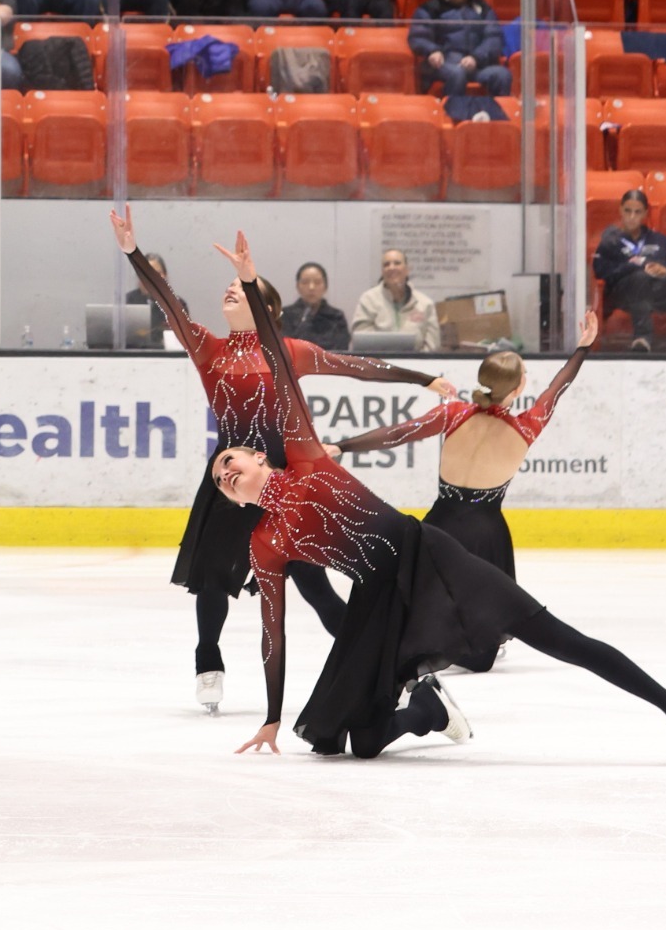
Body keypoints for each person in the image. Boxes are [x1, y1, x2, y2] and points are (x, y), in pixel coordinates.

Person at [210, 231, 666, 767]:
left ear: (259, 457)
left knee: (558, 639)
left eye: (230, 460)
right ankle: (427, 713)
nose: (226, 471)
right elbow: (273, 632)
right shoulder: (264, 542)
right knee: (344, 740)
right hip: (378, 598)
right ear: (235, 500)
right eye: (220, 477)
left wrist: (252, 283)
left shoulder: (304, 455)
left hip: (427, 552)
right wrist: (272, 716)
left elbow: (276, 355)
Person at [109, 204, 454, 715]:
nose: (228, 290)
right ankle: (208, 657)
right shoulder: (209, 349)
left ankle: (392, 667)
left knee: (313, 586)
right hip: (230, 480)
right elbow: (169, 305)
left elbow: (356, 366)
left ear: (265, 306)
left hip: (284, 478)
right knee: (213, 577)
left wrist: (420, 378)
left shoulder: (289, 350)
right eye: (225, 287)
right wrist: (133, 252)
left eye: (240, 287)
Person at [330, 310, 600, 672]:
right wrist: (582, 348)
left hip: (442, 521)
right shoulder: (528, 426)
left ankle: (419, 645)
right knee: (484, 631)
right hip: (486, 530)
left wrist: (342, 447)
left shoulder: (453, 414)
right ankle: (464, 646)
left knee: (426, 593)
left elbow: (399, 433)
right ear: (519, 387)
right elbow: (558, 388)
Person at [592, 188, 666, 353]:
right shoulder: (610, 242)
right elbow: (601, 272)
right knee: (639, 277)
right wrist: (632, 266)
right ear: (620, 210)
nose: (632, 217)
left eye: (637, 212)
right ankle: (642, 338)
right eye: (628, 211)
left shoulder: (660, 240)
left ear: (645, 214)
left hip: (658, 291)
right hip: (624, 293)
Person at [409, 0, 511, 94]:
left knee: (502, 75)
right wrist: (432, 50)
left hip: (476, 66)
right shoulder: (431, 8)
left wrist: (476, 57)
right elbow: (418, 36)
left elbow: (494, 38)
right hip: (443, 65)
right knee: (457, 73)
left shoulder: (484, 9)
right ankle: (454, 113)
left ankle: (496, 114)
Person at [352, 248, 441, 351]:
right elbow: (362, 342)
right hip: (378, 364)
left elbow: (432, 346)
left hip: (416, 365)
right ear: (382, 272)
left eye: (397, 263)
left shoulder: (425, 304)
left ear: (407, 270)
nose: (391, 268)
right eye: (386, 264)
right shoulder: (368, 300)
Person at [280, 262, 350, 350]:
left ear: (325, 287)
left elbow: (342, 349)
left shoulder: (336, 316)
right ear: (298, 286)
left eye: (317, 282)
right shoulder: (285, 315)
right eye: (305, 282)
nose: (311, 287)